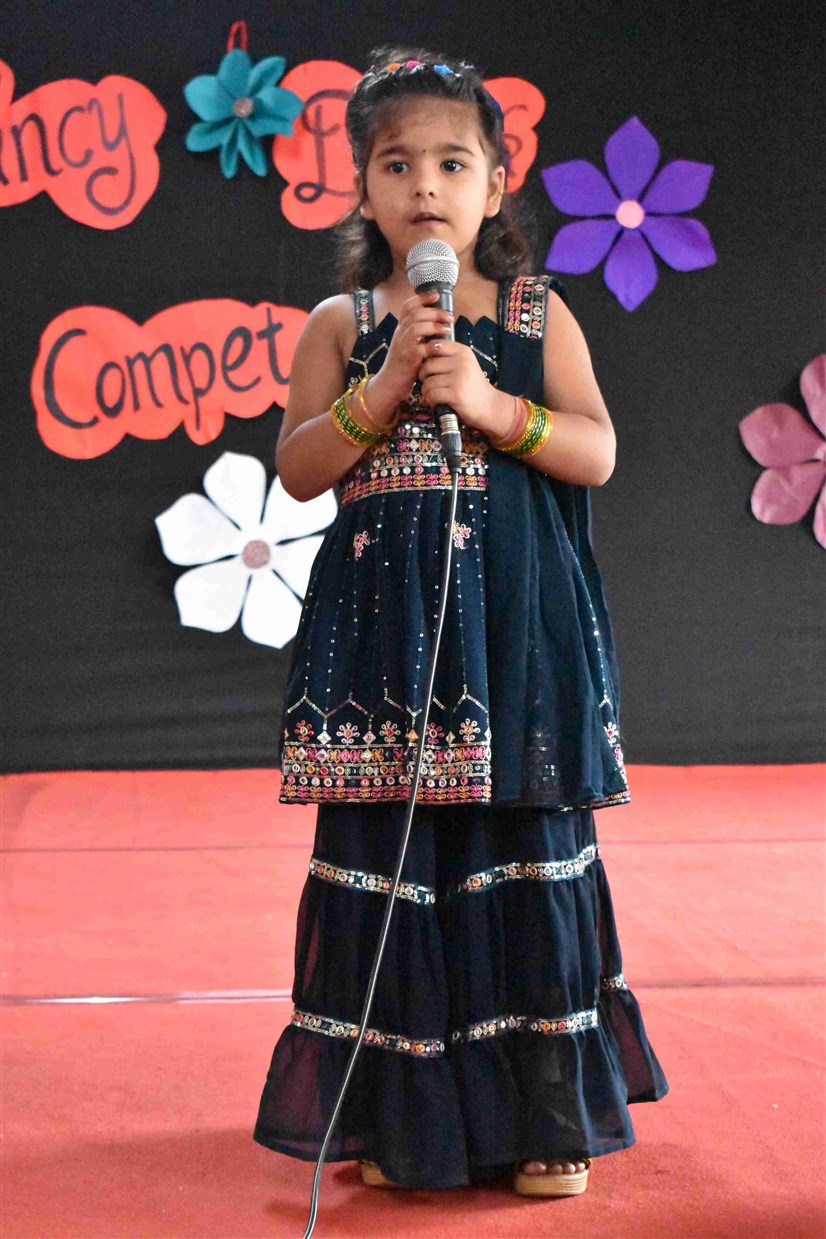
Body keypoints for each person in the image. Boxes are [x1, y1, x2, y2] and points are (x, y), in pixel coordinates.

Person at [253, 46, 669, 1197]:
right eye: (396, 164)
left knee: (521, 861)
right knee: (395, 873)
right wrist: (380, 393)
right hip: (384, 650)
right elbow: (299, 469)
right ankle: (407, 1121)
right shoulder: (340, 323)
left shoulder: (537, 315)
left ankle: (547, 1119)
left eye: (451, 161)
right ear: (362, 187)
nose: (424, 185)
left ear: (495, 183)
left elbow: (596, 449)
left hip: (513, 640)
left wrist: (487, 404)